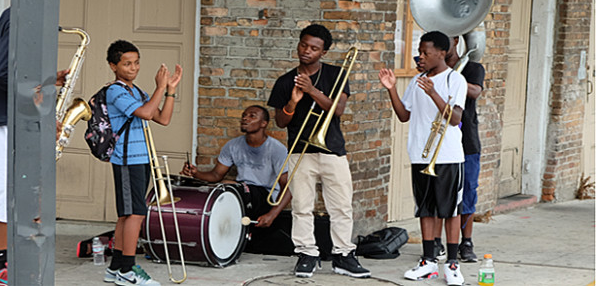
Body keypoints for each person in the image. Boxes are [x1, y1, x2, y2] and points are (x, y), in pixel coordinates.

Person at [0, 0, 68, 286]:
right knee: (1, 192)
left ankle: (13, 260)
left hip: (18, 119)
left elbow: (20, 72)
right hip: (5, 120)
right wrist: (36, 95)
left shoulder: (23, 16)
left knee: (25, 192)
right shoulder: (14, 16)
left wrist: (47, 81)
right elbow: (2, 76)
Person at [267, 24, 371, 279]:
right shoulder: (284, 81)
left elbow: (337, 110)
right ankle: (307, 254)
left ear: (323, 52)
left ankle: (343, 255)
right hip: (300, 150)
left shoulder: (336, 75)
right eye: (304, 45)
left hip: (332, 149)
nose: (306, 51)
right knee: (302, 205)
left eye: (314, 48)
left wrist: (311, 90)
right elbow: (281, 122)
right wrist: (292, 102)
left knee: (341, 206)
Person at [378, 31, 467, 285]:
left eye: (426, 53)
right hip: (420, 154)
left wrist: (434, 94)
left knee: (450, 210)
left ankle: (451, 263)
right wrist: (392, 89)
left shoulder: (454, 80)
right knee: (426, 209)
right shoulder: (417, 80)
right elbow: (404, 115)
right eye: (420, 52)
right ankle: (428, 261)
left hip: (448, 156)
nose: (421, 56)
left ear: (442, 53)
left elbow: (456, 119)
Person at [102, 40, 182, 286]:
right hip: (127, 160)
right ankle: (128, 270)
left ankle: (115, 267)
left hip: (142, 158)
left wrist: (169, 90)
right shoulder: (115, 91)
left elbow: (162, 118)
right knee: (135, 213)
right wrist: (159, 87)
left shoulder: (136, 91)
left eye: (136, 63)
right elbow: (146, 113)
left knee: (128, 215)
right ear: (113, 66)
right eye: (127, 64)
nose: (133, 68)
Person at [180, 105, 292, 227]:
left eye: (252, 116)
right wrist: (196, 173)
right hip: (242, 191)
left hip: (266, 196)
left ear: (263, 123)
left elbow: (288, 186)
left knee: (229, 185)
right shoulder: (233, 145)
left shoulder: (276, 149)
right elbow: (216, 174)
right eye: (244, 115)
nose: (245, 118)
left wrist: (272, 214)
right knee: (216, 189)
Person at [432, 36, 485, 263]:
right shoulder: (430, 67)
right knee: (436, 194)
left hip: (467, 141)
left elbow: (474, 92)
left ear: (455, 40)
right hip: (437, 141)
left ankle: (466, 242)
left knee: (468, 194)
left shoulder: (472, 68)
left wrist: (451, 78)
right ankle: (434, 242)